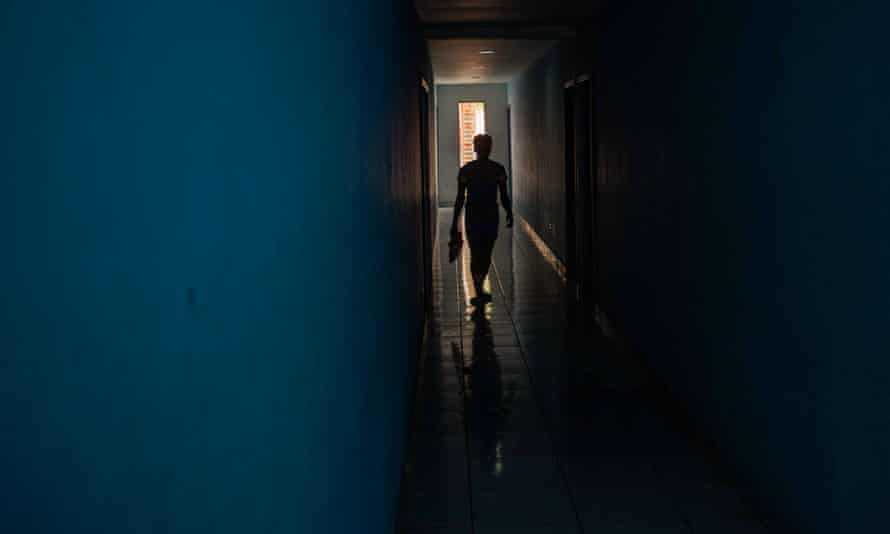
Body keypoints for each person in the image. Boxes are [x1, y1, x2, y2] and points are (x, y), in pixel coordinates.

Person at [450, 133, 513, 303]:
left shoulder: (468, 170)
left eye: (485, 146)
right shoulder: (497, 170)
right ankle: (479, 289)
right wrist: (509, 212)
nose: (484, 149)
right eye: (483, 146)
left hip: (477, 216)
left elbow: (459, 199)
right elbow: (504, 196)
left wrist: (454, 223)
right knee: (483, 253)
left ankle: (478, 287)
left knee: (480, 253)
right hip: (487, 216)